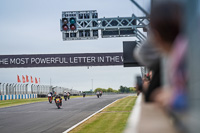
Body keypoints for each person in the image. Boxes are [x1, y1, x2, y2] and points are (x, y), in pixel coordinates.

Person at [150, 1, 187, 111]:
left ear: (157, 35)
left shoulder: (185, 53)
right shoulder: (183, 50)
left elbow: (194, 98)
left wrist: (175, 98)